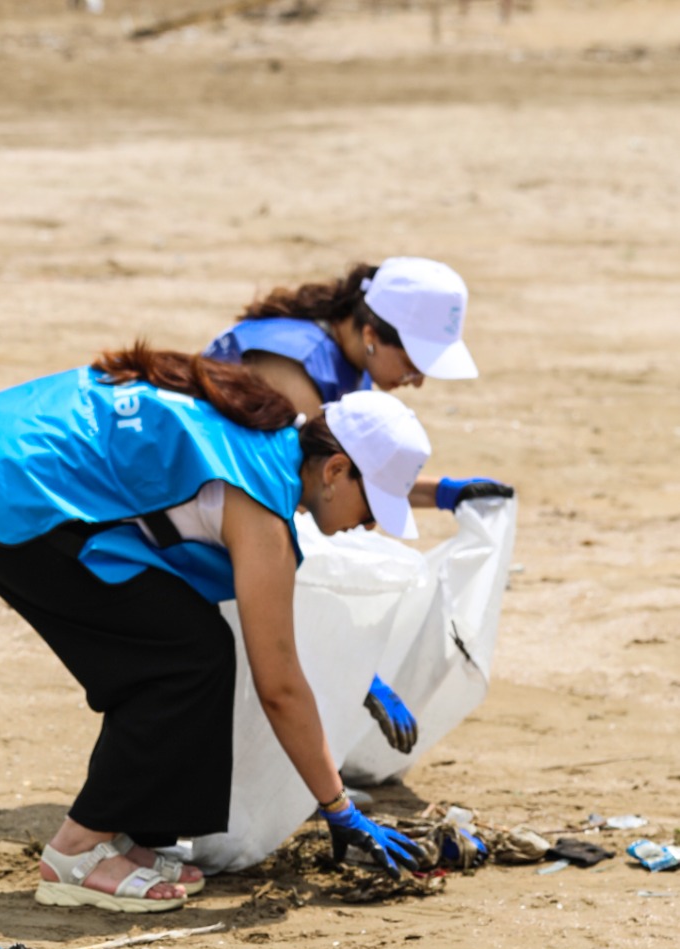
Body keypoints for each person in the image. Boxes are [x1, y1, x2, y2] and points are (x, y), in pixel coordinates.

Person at [0, 348, 431, 912]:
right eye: (372, 509)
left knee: (195, 647)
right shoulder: (262, 505)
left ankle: (137, 835)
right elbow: (280, 687)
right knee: (179, 659)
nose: (369, 525)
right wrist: (340, 809)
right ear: (335, 470)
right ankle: (77, 852)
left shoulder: (268, 432)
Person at [206, 256, 513, 754]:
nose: (419, 380)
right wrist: (353, 665)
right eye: (415, 361)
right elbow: (300, 508)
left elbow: (343, 476)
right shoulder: (293, 370)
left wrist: (442, 493)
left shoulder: (340, 358)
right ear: (372, 331)